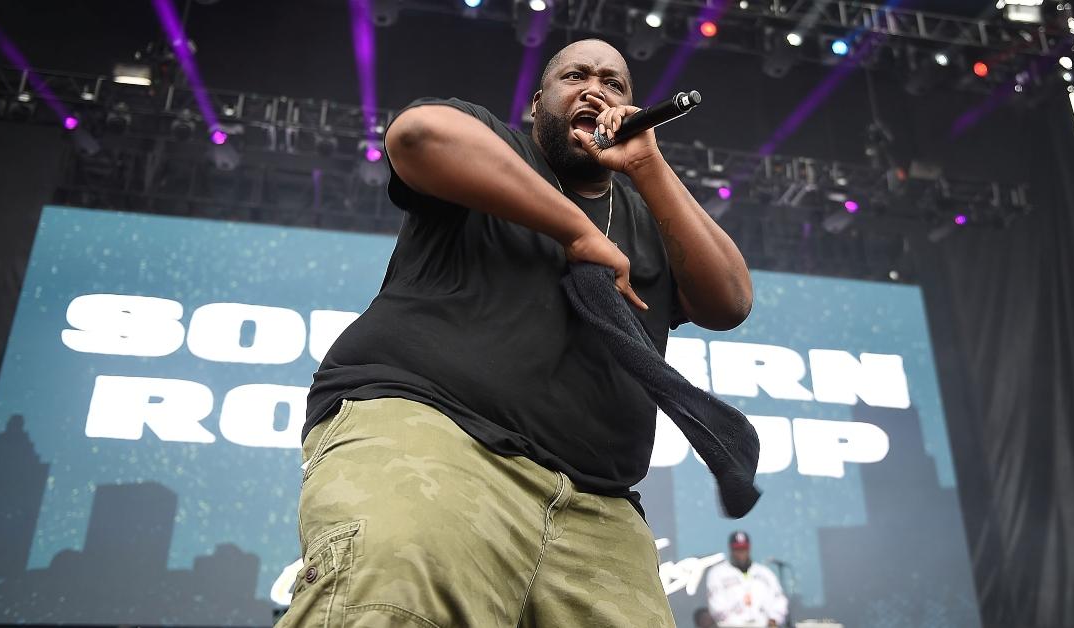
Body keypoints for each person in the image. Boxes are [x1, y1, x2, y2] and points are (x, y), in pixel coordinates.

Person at [277, 38, 752, 627]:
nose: (596, 89)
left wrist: (647, 166)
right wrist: (575, 232)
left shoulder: (645, 216)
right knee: (390, 602)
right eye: (575, 76)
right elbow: (417, 136)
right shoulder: (495, 148)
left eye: (614, 84)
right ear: (538, 103)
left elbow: (729, 300)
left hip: (598, 504)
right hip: (435, 433)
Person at [705, 531, 790, 628]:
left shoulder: (765, 573)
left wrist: (774, 620)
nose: (741, 552)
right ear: (731, 549)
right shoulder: (718, 573)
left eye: (744, 548)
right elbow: (716, 606)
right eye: (737, 549)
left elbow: (779, 600)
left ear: (749, 549)